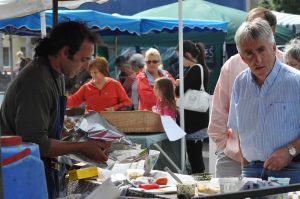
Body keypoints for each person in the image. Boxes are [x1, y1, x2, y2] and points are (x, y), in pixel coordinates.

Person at [0, 21, 111, 199]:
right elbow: (35, 142)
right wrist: (82, 146)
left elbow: (50, 125)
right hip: (19, 174)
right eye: (83, 59)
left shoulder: (57, 76)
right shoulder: (37, 81)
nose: (85, 66)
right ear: (65, 52)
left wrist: (82, 137)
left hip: (43, 168)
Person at [207, 7, 285, 178]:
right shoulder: (232, 65)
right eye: (248, 23)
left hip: (280, 162)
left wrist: (290, 152)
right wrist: (227, 147)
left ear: (272, 30)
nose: (251, 28)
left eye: (258, 24)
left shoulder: (288, 67)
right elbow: (219, 112)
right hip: (233, 159)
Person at [228, 18, 300, 184]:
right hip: (251, 171)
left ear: (274, 49)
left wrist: (289, 151)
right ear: (242, 57)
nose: (257, 59)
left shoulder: (296, 82)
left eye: (261, 50)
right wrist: (245, 165)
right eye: (249, 53)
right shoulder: (240, 83)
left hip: (291, 170)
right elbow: (239, 130)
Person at [175, 40, 209, 174]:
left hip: (194, 122)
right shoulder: (201, 68)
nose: (180, 61)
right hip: (199, 120)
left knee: (196, 161)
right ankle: (202, 188)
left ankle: (203, 189)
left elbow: (179, 92)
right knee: (196, 159)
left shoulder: (195, 68)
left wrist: (178, 84)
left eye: (180, 57)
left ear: (187, 54)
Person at [67, 56, 132, 112]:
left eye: (95, 72)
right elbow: (73, 101)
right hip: (91, 123)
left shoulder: (115, 84)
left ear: (103, 71)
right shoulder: (86, 87)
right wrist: (60, 101)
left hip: (111, 122)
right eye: (91, 72)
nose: (93, 75)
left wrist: (114, 108)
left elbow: (127, 102)